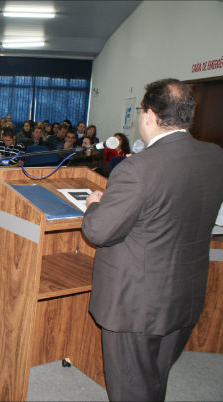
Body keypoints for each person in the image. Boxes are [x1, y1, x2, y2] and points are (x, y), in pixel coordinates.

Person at [82, 78, 223, 402]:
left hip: (136, 305)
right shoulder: (214, 156)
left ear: (148, 115)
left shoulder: (138, 169)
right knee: (154, 381)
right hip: (184, 297)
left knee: (132, 389)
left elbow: (98, 231)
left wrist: (95, 205)